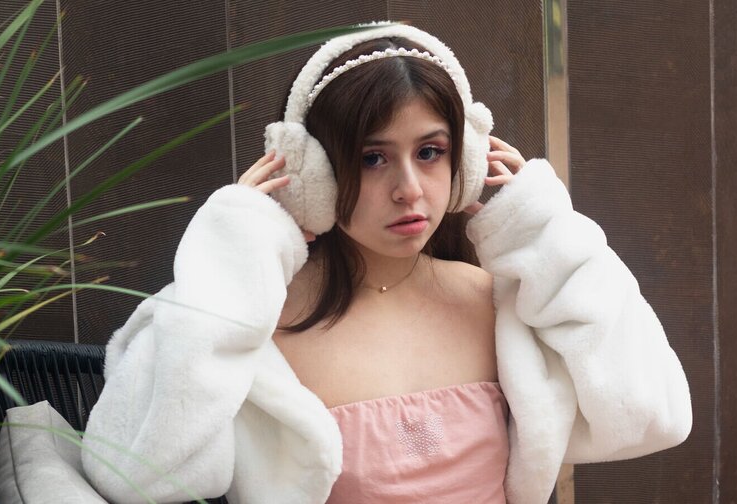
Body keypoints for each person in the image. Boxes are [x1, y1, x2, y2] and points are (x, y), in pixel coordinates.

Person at [81, 22, 692, 504]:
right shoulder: (254, 314)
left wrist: (549, 239)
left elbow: (654, 416)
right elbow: (137, 476)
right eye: (373, 158)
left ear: (466, 161)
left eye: (431, 152)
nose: (409, 190)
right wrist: (233, 257)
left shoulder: (496, 302)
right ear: (314, 175)